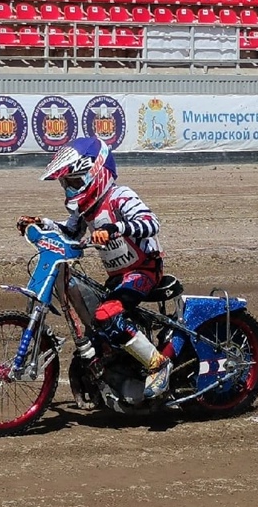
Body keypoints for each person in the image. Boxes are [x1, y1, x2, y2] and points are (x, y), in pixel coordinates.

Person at [15, 136, 172, 399]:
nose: (69, 189)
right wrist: (42, 223)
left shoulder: (120, 196)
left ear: (95, 174)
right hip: (119, 276)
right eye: (67, 184)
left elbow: (151, 222)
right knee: (92, 315)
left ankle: (158, 365)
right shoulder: (86, 211)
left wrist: (116, 228)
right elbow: (69, 233)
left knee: (106, 315)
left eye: (74, 182)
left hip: (144, 271)